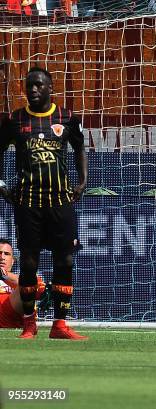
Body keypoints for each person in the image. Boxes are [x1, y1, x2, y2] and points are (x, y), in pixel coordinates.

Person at [0, 67, 88, 340]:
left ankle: (60, 325)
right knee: (28, 263)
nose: (33, 90)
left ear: (51, 87)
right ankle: (29, 324)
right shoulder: (15, 120)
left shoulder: (67, 118)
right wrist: (2, 186)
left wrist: (83, 181)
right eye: (29, 86)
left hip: (60, 202)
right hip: (28, 204)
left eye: (39, 85)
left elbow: (79, 148)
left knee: (65, 260)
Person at [0, 239, 48, 329]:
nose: (2, 257)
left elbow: (40, 287)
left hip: (15, 313)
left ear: (13, 261)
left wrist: (4, 275)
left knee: (31, 282)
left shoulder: (22, 279)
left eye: (6, 254)